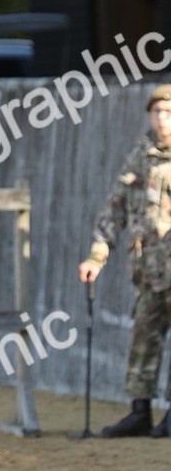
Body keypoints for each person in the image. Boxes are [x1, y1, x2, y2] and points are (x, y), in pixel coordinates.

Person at [79, 85, 171, 438]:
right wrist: (96, 256)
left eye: (167, 112)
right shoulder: (140, 156)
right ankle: (140, 412)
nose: (161, 119)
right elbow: (114, 209)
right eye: (156, 112)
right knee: (143, 340)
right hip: (148, 271)